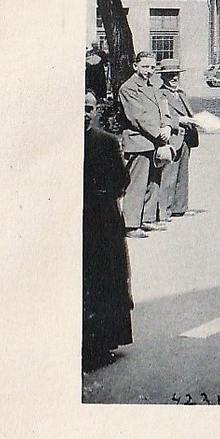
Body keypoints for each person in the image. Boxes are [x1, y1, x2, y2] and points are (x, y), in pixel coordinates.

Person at [83, 91, 133, 369]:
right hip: (86, 217)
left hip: (102, 221)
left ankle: (101, 342)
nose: (84, 113)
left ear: (97, 110)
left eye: (89, 108)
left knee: (105, 277)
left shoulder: (107, 142)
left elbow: (122, 180)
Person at [115, 51, 173, 237]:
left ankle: (147, 218)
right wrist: (160, 133)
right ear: (135, 66)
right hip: (139, 141)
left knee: (153, 181)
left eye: (152, 67)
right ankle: (131, 225)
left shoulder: (153, 86)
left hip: (154, 140)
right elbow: (138, 116)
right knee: (137, 183)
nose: (149, 71)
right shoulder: (128, 88)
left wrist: (168, 126)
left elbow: (163, 109)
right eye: (145, 67)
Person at [156, 58, 199, 220]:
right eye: (170, 75)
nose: (174, 78)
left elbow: (188, 112)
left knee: (183, 174)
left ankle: (180, 207)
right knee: (169, 175)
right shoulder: (161, 94)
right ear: (163, 78)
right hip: (172, 138)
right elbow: (162, 116)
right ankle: (164, 210)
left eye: (176, 75)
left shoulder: (181, 93)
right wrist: (179, 121)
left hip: (185, 138)